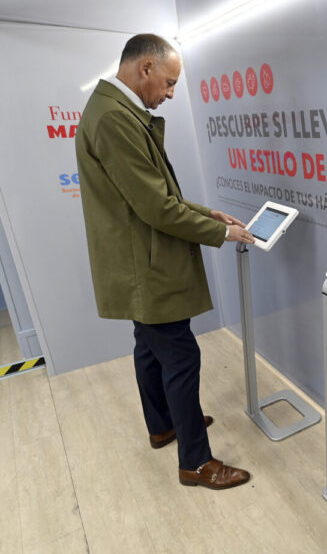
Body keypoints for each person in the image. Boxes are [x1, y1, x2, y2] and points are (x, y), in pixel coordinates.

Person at [75, 33, 254, 490]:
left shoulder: (115, 110)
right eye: (170, 82)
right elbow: (156, 208)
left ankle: (163, 425)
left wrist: (207, 213)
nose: (171, 94)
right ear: (146, 68)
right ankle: (196, 462)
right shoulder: (114, 118)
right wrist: (221, 232)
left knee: (149, 347)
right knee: (180, 355)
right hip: (146, 268)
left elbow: (155, 194)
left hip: (138, 261)